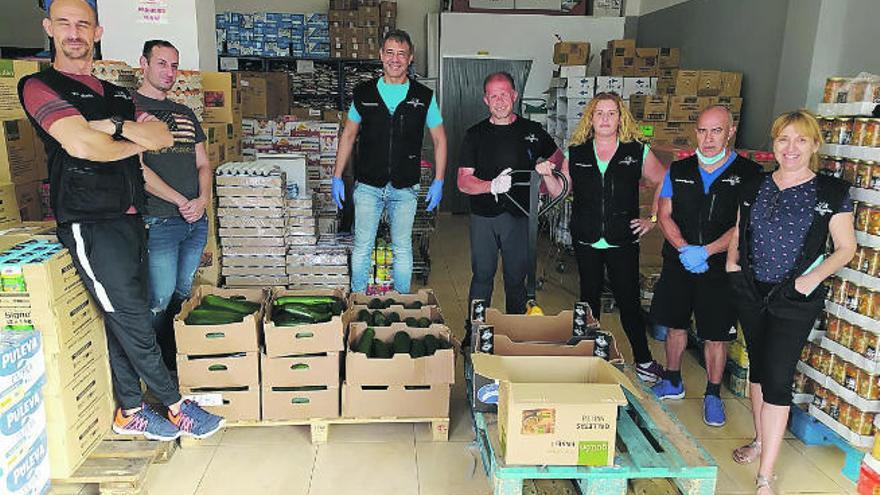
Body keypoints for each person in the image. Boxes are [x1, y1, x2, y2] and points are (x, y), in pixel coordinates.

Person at [19, 0, 224, 441]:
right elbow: (81, 147)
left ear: (97, 32)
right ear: (48, 28)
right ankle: (173, 404)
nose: (74, 32)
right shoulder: (38, 85)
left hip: (133, 218)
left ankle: (130, 408)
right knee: (132, 315)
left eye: (83, 24)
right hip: (91, 221)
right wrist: (127, 135)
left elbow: (161, 136)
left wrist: (110, 126)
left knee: (120, 317)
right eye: (64, 23)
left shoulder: (115, 94)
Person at [726, 110, 855, 494]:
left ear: (815, 145)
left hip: (795, 299)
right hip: (752, 289)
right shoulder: (755, 186)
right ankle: (760, 439)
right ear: (774, 145)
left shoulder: (831, 193)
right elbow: (740, 228)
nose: (791, 147)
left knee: (778, 378)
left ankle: (766, 475)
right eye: (783, 139)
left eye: (801, 140)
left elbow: (846, 249)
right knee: (758, 371)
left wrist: (811, 278)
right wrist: (733, 264)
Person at [649, 106, 762, 427]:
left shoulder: (749, 174)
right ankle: (672, 380)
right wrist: (685, 249)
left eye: (716, 131)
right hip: (680, 261)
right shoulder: (679, 168)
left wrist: (707, 251)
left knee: (716, 334)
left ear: (730, 131)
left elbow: (744, 224)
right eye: (702, 131)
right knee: (675, 323)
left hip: (720, 266)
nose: (708, 138)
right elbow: (664, 213)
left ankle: (713, 393)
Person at [542, 92, 666, 384]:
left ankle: (644, 360)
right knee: (588, 300)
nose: (606, 119)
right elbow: (560, 190)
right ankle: (587, 356)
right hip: (587, 239)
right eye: (600, 113)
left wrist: (653, 218)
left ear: (620, 117)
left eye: (612, 113)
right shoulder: (577, 152)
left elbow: (663, 179)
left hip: (622, 240)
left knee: (629, 302)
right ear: (591, 118)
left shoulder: (637, 151)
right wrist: (547, 174)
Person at [331, 29, 447, 294]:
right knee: (362, 246)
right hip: (368, 185)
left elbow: (440, 139)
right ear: (381, 55)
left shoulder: (424, 96)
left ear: (410, 58)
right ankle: (357, 302)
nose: (396, 59)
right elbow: (348, 134)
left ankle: (402, 303)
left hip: (405, 186)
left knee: (402, 248)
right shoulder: (364, 93)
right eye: (390, 53)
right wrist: (337, 175)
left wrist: (439, 180)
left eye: (402, 54)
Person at [456, 72, 563, 343]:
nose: (500, 101)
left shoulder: (532, 131)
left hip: (519, 218)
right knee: (482, 276)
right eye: (493, 95)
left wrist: (545, 178)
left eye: (505, 94)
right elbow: (463, 181)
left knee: (517, 280)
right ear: (485, 100)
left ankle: (516, 335)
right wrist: (490, 186)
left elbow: (558, 159)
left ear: (514, 96)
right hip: (484, 217)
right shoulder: (475, 135)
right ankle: (475, 332)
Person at [133, 40, 212, 371]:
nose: (169, 72)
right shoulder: (130, 110)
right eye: (162, 63)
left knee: (182, 293)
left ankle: (175, 359)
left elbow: (204, 163)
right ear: (144, 63)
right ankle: (153, 369)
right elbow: (137, 169)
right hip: (160, 219)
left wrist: (203, 200)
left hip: (195, 220)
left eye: (174, 66)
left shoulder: (184, 113)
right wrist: (181, 201)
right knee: (159, 300)